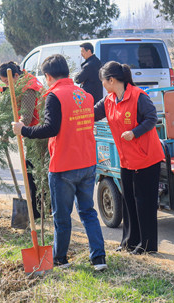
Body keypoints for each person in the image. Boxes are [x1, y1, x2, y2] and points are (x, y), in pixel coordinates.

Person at [12, 54, 107, 271]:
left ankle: (60, 259)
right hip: (87, 162)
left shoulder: (54, 96)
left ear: (48, 76)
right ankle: (99, 258)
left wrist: (24, 130)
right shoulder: (84, 95)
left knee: (62, 217)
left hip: (64, 165)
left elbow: (51, 128)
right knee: (88, 212)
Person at [93, 61, 164, 255]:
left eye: (103, 81)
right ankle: (129, 243)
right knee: (128, 202)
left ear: (111, 80)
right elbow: (92, 114)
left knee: (144, 203)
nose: (102, 84)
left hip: (146, 158)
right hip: (126, 159)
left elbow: (152, 118)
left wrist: (134, 132)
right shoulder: (109, 100)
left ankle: (147, 246)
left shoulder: (138, 96)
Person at [0, 61, 43, 219]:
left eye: (7, 82)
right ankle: (42, 208)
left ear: (16, 75)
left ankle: (37, 212)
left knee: (32, 173)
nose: (7, 85)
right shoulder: (26, 80)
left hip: (37, 134)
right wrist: (3, 89)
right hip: (35, 131)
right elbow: (15, 90)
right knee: (35, 171)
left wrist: (8, 133)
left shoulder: (28, 89)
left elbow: (26, 118)